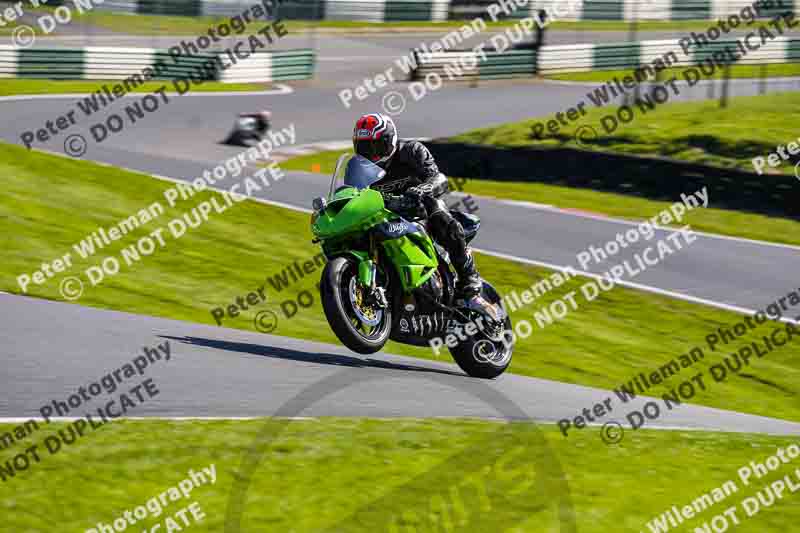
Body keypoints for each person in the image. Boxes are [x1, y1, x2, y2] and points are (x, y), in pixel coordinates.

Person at [352, 113, 483, 305]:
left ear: (390, 140)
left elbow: (439, 178)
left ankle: (469, 278)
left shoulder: (411, 151)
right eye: (364, 148)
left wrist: (421, 190)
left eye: (375, 146)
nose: (370, 154)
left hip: (421, 212)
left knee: (438, 212)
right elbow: (353, 194)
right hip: (386, 217)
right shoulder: (358, 169)